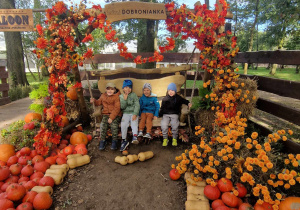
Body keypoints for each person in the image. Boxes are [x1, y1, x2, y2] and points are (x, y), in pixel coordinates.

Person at [90, 82, 122, 151]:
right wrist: (94, 101)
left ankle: (114, 141)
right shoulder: (103, 96)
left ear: (114, 90)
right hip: (106, 114)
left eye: (112, 89)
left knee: (114, 125)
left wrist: (111, 117)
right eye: (108, 89)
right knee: (103, 125)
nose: (110, 91)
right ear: (105, 90)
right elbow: (98, 102)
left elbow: (117, 108)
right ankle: (103, 140)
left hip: (115, 115)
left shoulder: (117, 97)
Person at [159, 83, 192, 147]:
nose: (171, 92)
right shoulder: (165, 99)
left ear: (175, 91)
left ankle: (174, 139)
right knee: (164, 125)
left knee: (175, 125)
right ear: (167, 91)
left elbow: (184, 101)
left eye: (172, 90)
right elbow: (162, 108)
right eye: (169, 91)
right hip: (166, 114)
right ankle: (165, 139)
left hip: (174, 114)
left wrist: (188, 103)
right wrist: (159, 114)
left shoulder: (178, 98)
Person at [119, 79, 140, 151]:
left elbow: (137, 105)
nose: (127, 89)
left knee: (134, 122)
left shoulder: (134, 95)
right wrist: (125, 100)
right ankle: (124, 139)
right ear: (123, 88)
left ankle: (135, 136)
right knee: (123, 124)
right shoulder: (121, 96)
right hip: (126, 113)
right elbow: (122, 107)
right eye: (126, 87)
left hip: (133, 112)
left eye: (129, 87)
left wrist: (135, 114)